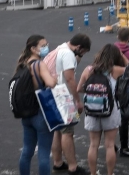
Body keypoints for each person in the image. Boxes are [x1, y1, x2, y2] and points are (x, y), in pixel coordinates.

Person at [77, 45, 127, 175]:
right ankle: (110, 173)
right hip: (110, 110)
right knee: (110, 145)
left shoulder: (89, 70)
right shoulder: (115, 70)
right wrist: (122, 55)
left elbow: (79, 89)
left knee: (93, 145)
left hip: (92, 110)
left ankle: (93, 173)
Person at [46, 34, 91, 175]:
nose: (82, 55)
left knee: (58, 131)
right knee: (68, 132)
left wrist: (79, 55)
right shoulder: (67, 54)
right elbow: (70, 79)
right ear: (78, 47)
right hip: (63, 96)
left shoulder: (60, 49)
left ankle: (58, 163)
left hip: (51, 94)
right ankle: (73, 167)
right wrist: (77, 100)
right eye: (83, 52)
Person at [17, 35, 57, 175]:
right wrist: (54, 79)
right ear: (33, 49)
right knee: (44, 153)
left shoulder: (22, 64)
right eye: (43, 45)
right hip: (41, 113)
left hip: (26, 113)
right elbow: (50, 83)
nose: (47, 47)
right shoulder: (39, 64)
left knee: (27, 151)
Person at [113, 28, 129, 157]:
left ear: (117, 36)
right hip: (125, 88)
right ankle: (124, 146)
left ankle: (110, 142)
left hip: (111, 86)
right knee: (124, 118)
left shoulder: (110, 51)